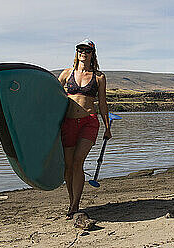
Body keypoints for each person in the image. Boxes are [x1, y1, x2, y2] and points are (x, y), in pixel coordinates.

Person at [58, 39, 112, 219]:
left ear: (92, 54)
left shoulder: (99, 77)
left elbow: (102, 103)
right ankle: (71, 200)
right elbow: (52, 97)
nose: (83, 53)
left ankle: (74, 206)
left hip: (89, 122)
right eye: (80, 49)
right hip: (68, 122)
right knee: (68, 165)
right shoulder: (66, 74)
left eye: (87, 50)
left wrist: (106, 126)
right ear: (77, 53)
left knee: (77, 161)